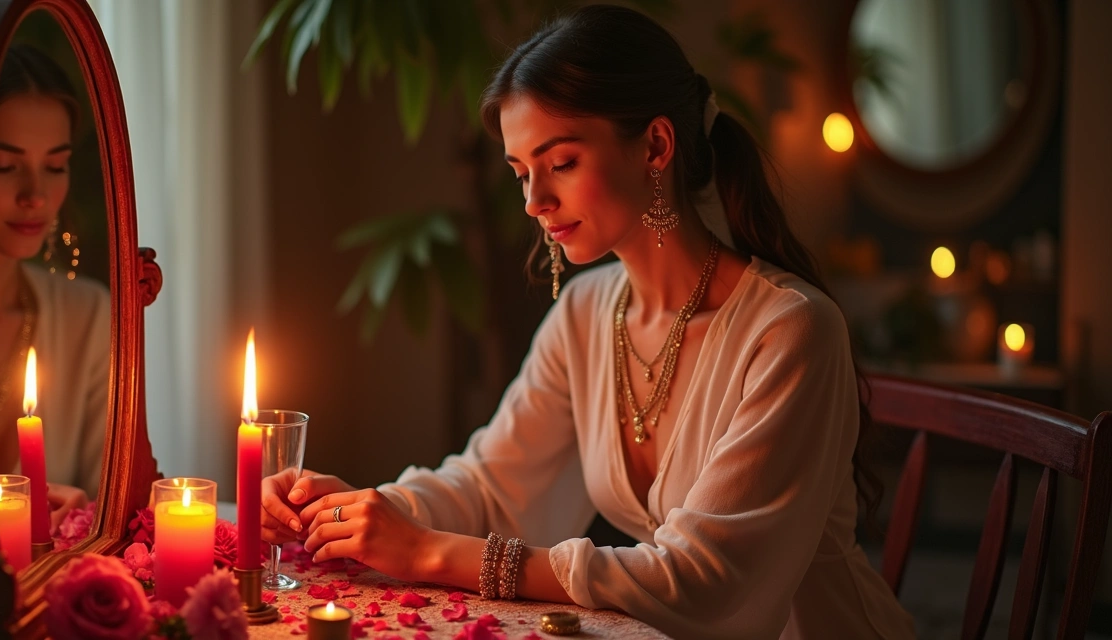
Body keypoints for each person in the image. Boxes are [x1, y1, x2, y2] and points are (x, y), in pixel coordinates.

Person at [262, 6, 914, 638]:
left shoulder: (789, 330)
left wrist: (432, 553)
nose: (535, 201)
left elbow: (710, 580)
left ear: (656, 145)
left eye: (562, 163)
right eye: (522, 173)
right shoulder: (585, 313)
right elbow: (494, 484)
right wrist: (369, 511)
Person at [0, 44, 110, 528]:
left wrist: (87, 517)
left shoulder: (87, 314)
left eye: (55, 166)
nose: (36, 194)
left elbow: (115, 503)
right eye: (3, 165)